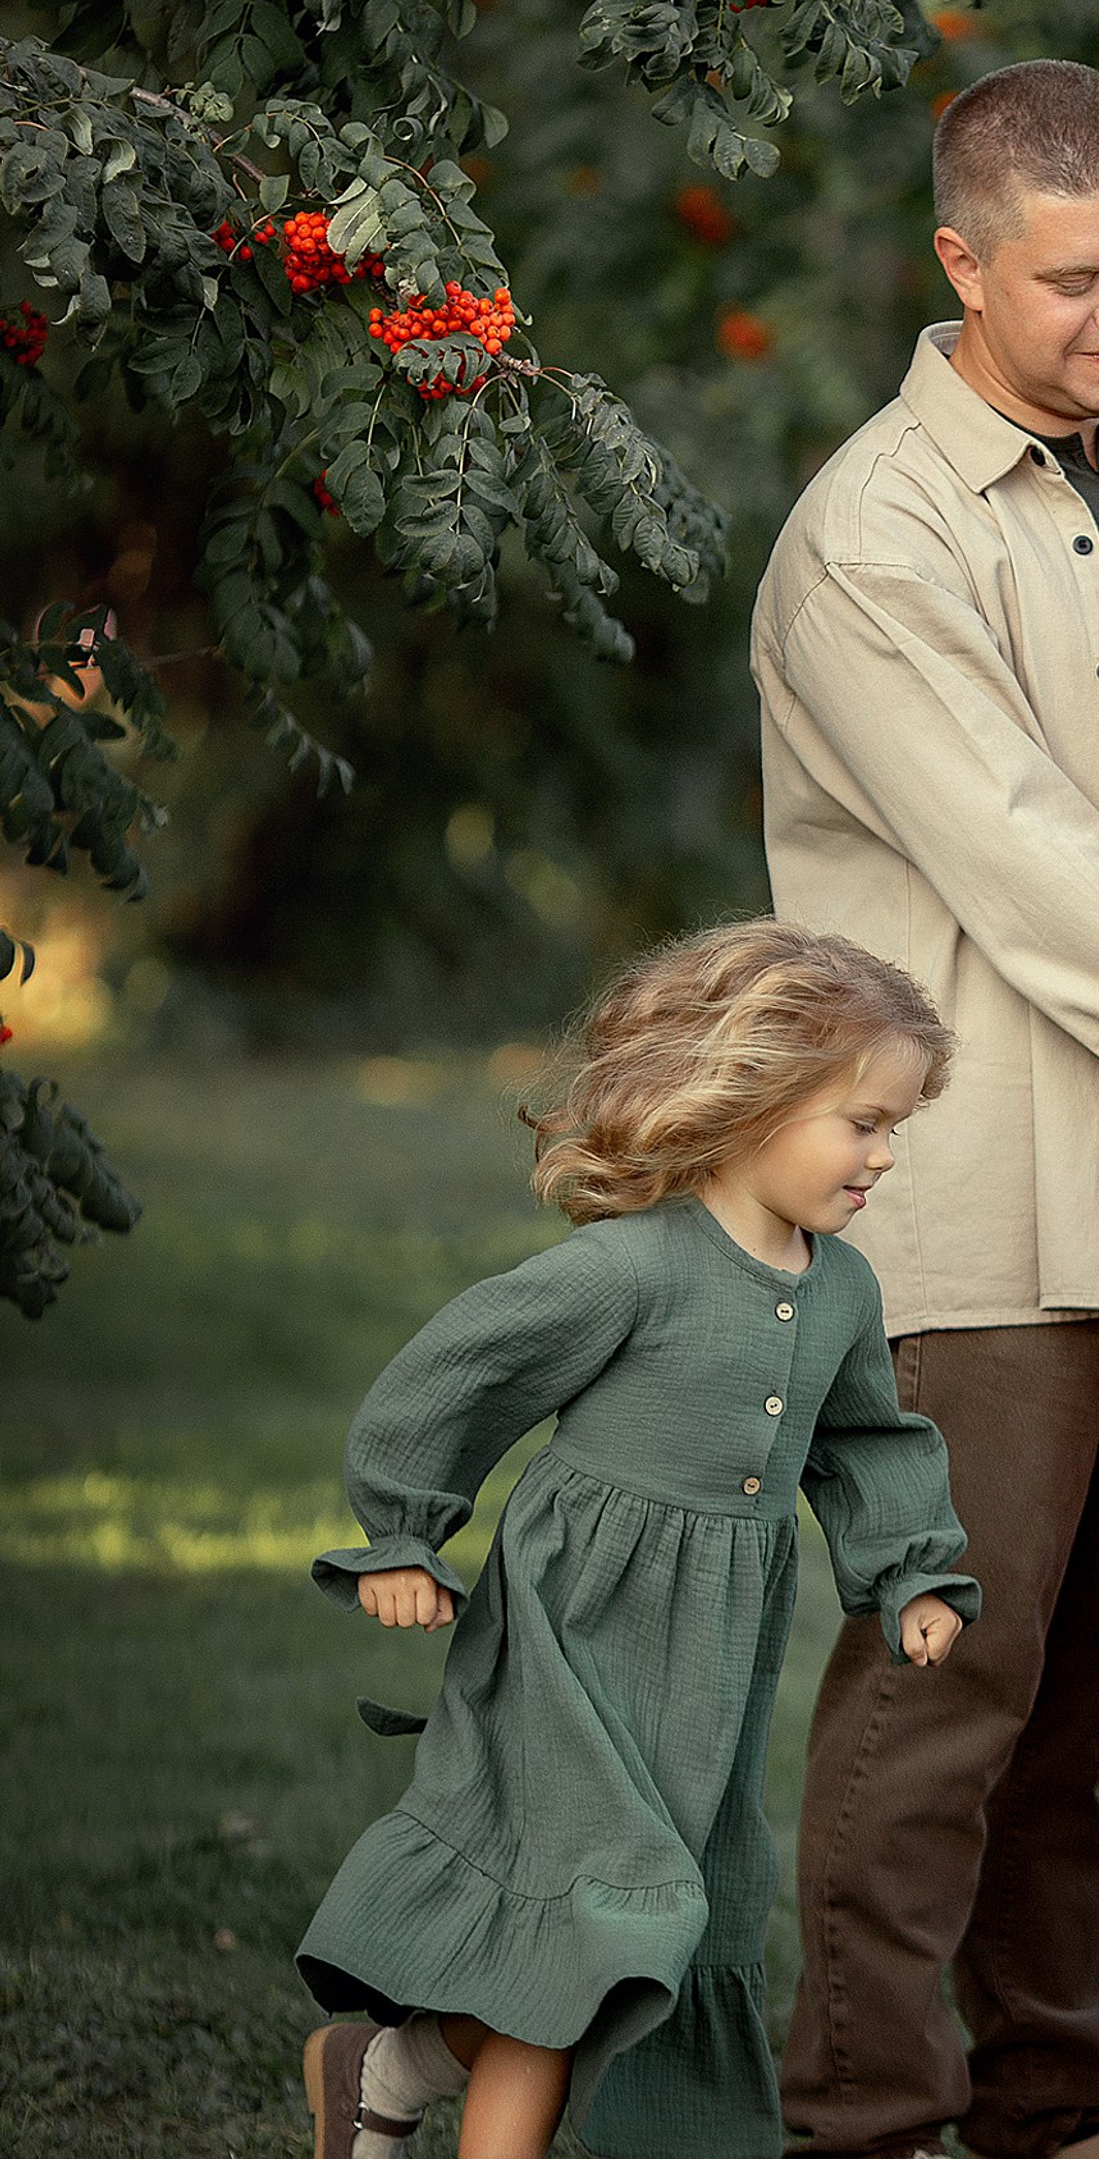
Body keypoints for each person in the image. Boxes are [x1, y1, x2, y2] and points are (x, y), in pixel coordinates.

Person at [753, 59, 1099, 2159]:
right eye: (1075, 275)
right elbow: (1019, 853)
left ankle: (1049, 2107)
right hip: (983, 1183)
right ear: (958, 264)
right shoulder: (870, 535)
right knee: (947, 1682)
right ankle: (863, 2121)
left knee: (1094, 1683)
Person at [294, 921, 979, 2159]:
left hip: (705, 1672)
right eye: (862, 1121)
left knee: (642, 1934)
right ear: (753, 1098)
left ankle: (387, 2066)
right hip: (571, 1640)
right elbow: (457, 1377)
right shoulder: (628, 1270)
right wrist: (401, 1538)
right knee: (589, 1933)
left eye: (897, 1128)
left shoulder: (841, 1291)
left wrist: (912, 1567)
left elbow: (871, 1441)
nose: (883, 1155)